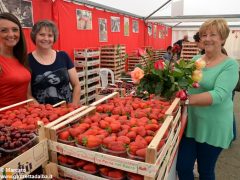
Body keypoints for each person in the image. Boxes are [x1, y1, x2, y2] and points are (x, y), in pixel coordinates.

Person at [176, 19, 239, 180]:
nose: (207, 38)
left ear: (223, 38)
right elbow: (183, 83)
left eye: (213, 34)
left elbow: (219, 95)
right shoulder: (195, 60)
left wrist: (186, 100)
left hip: (214, 125)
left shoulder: (230, 65)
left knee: (205, 170)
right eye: (204, 35)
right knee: (182, 167)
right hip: (192, 123)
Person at [27, 20, 80, 105]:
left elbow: (76, 85)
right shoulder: (27, 60)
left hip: (68, 111)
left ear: (54, 38)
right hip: (42, 114)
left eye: (50, 35)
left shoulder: (63, 56)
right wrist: (42, 113)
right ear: (34, 36)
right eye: (42, 34)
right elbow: (28, 95)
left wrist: (73, 107)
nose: (46, 38)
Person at [0, 12, 31, 108]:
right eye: (4, 30)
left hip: (23, 118)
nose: (11, 34)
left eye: (15, 30)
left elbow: (28, 96)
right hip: (5, 120)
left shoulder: (21, 58)